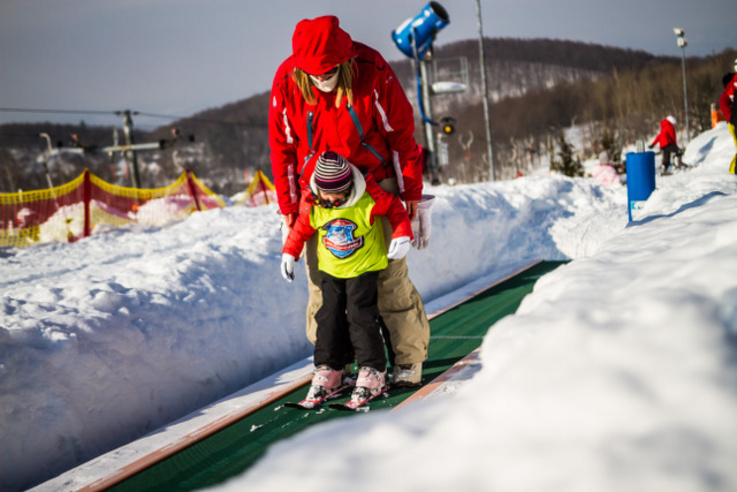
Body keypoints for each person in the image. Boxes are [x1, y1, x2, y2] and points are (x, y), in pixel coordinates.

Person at [269, 15, 430, 386]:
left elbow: (401, 135)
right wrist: (290, 212)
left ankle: (407, 360)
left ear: (343, 60)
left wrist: (410, 196)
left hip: (375, 185)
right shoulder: (287, 82)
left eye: (328, 71)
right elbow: (283, 151)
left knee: (389, 279)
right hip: (319, 195)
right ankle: (332, 364)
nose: (321, 79)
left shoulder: (371, 69)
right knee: (324, 286)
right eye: (313, 72)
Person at [280, 151, 413, 403]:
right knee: (328, 315)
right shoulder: (313, 201)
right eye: (325, 192)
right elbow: (301, 228)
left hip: (363, 267)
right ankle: (329, 367)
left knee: (360, 314)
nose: (330, 198)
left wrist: (401, 233)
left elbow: (395, 208)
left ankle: (373, 369)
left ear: (348, 186)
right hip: (331, 269)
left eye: (336, 193)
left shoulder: (368, 197)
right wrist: (289, 252)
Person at [719, 58, 737, 174]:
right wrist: (731, 116)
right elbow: (722, 102)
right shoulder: (733, 84)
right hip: (734, 121)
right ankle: (732, 171)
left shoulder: (732, 83)